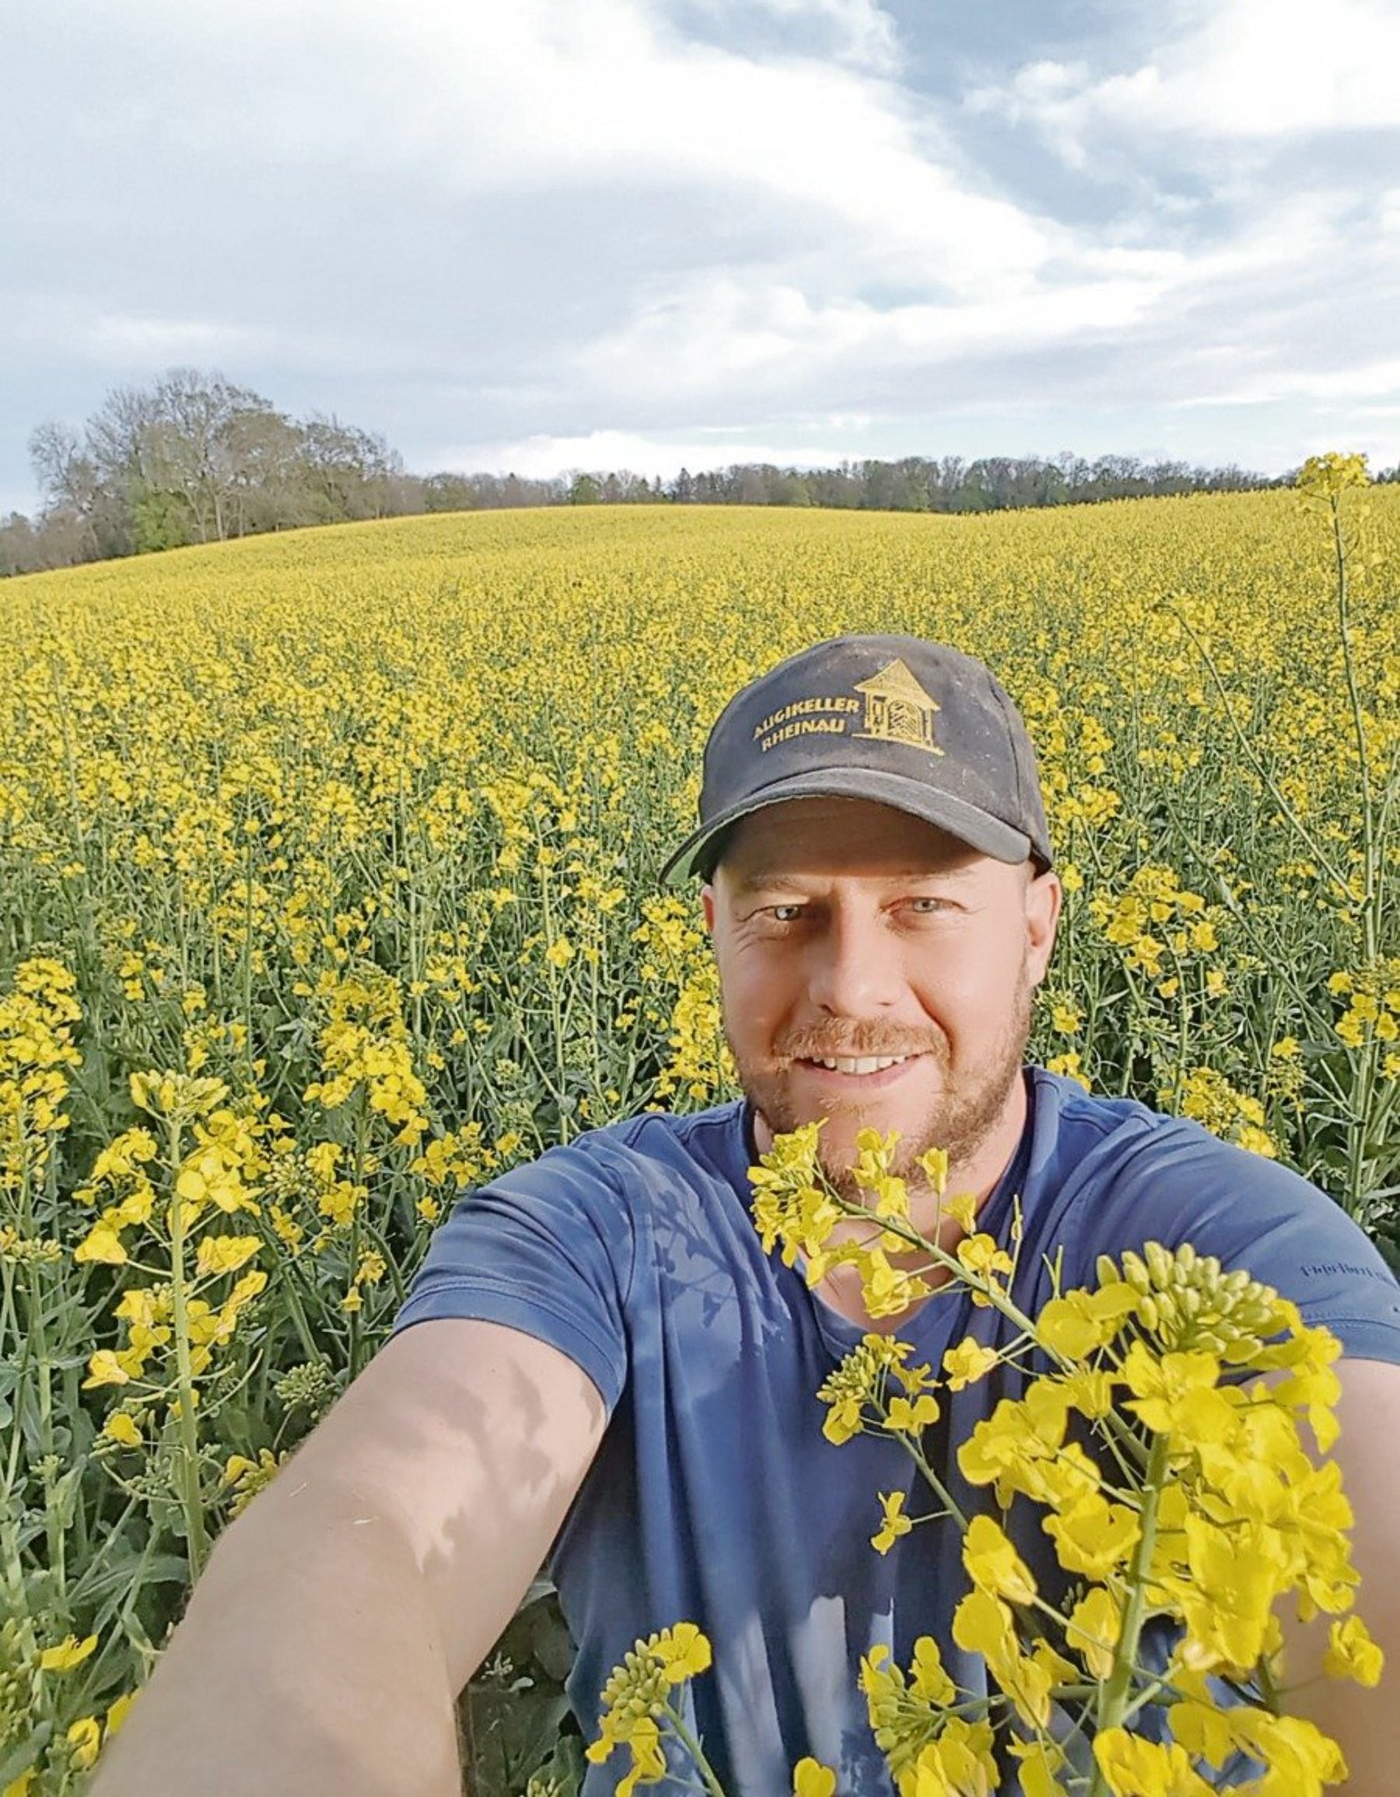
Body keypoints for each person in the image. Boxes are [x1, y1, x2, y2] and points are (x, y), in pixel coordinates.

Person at [94, 634, 1400, 1796]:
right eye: (787, 911)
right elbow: (363, 1542)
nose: (850, 985)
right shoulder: (590, 1232)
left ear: (1038, 927)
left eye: (922, 905)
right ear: (714, 927)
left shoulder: (1213, 1240)